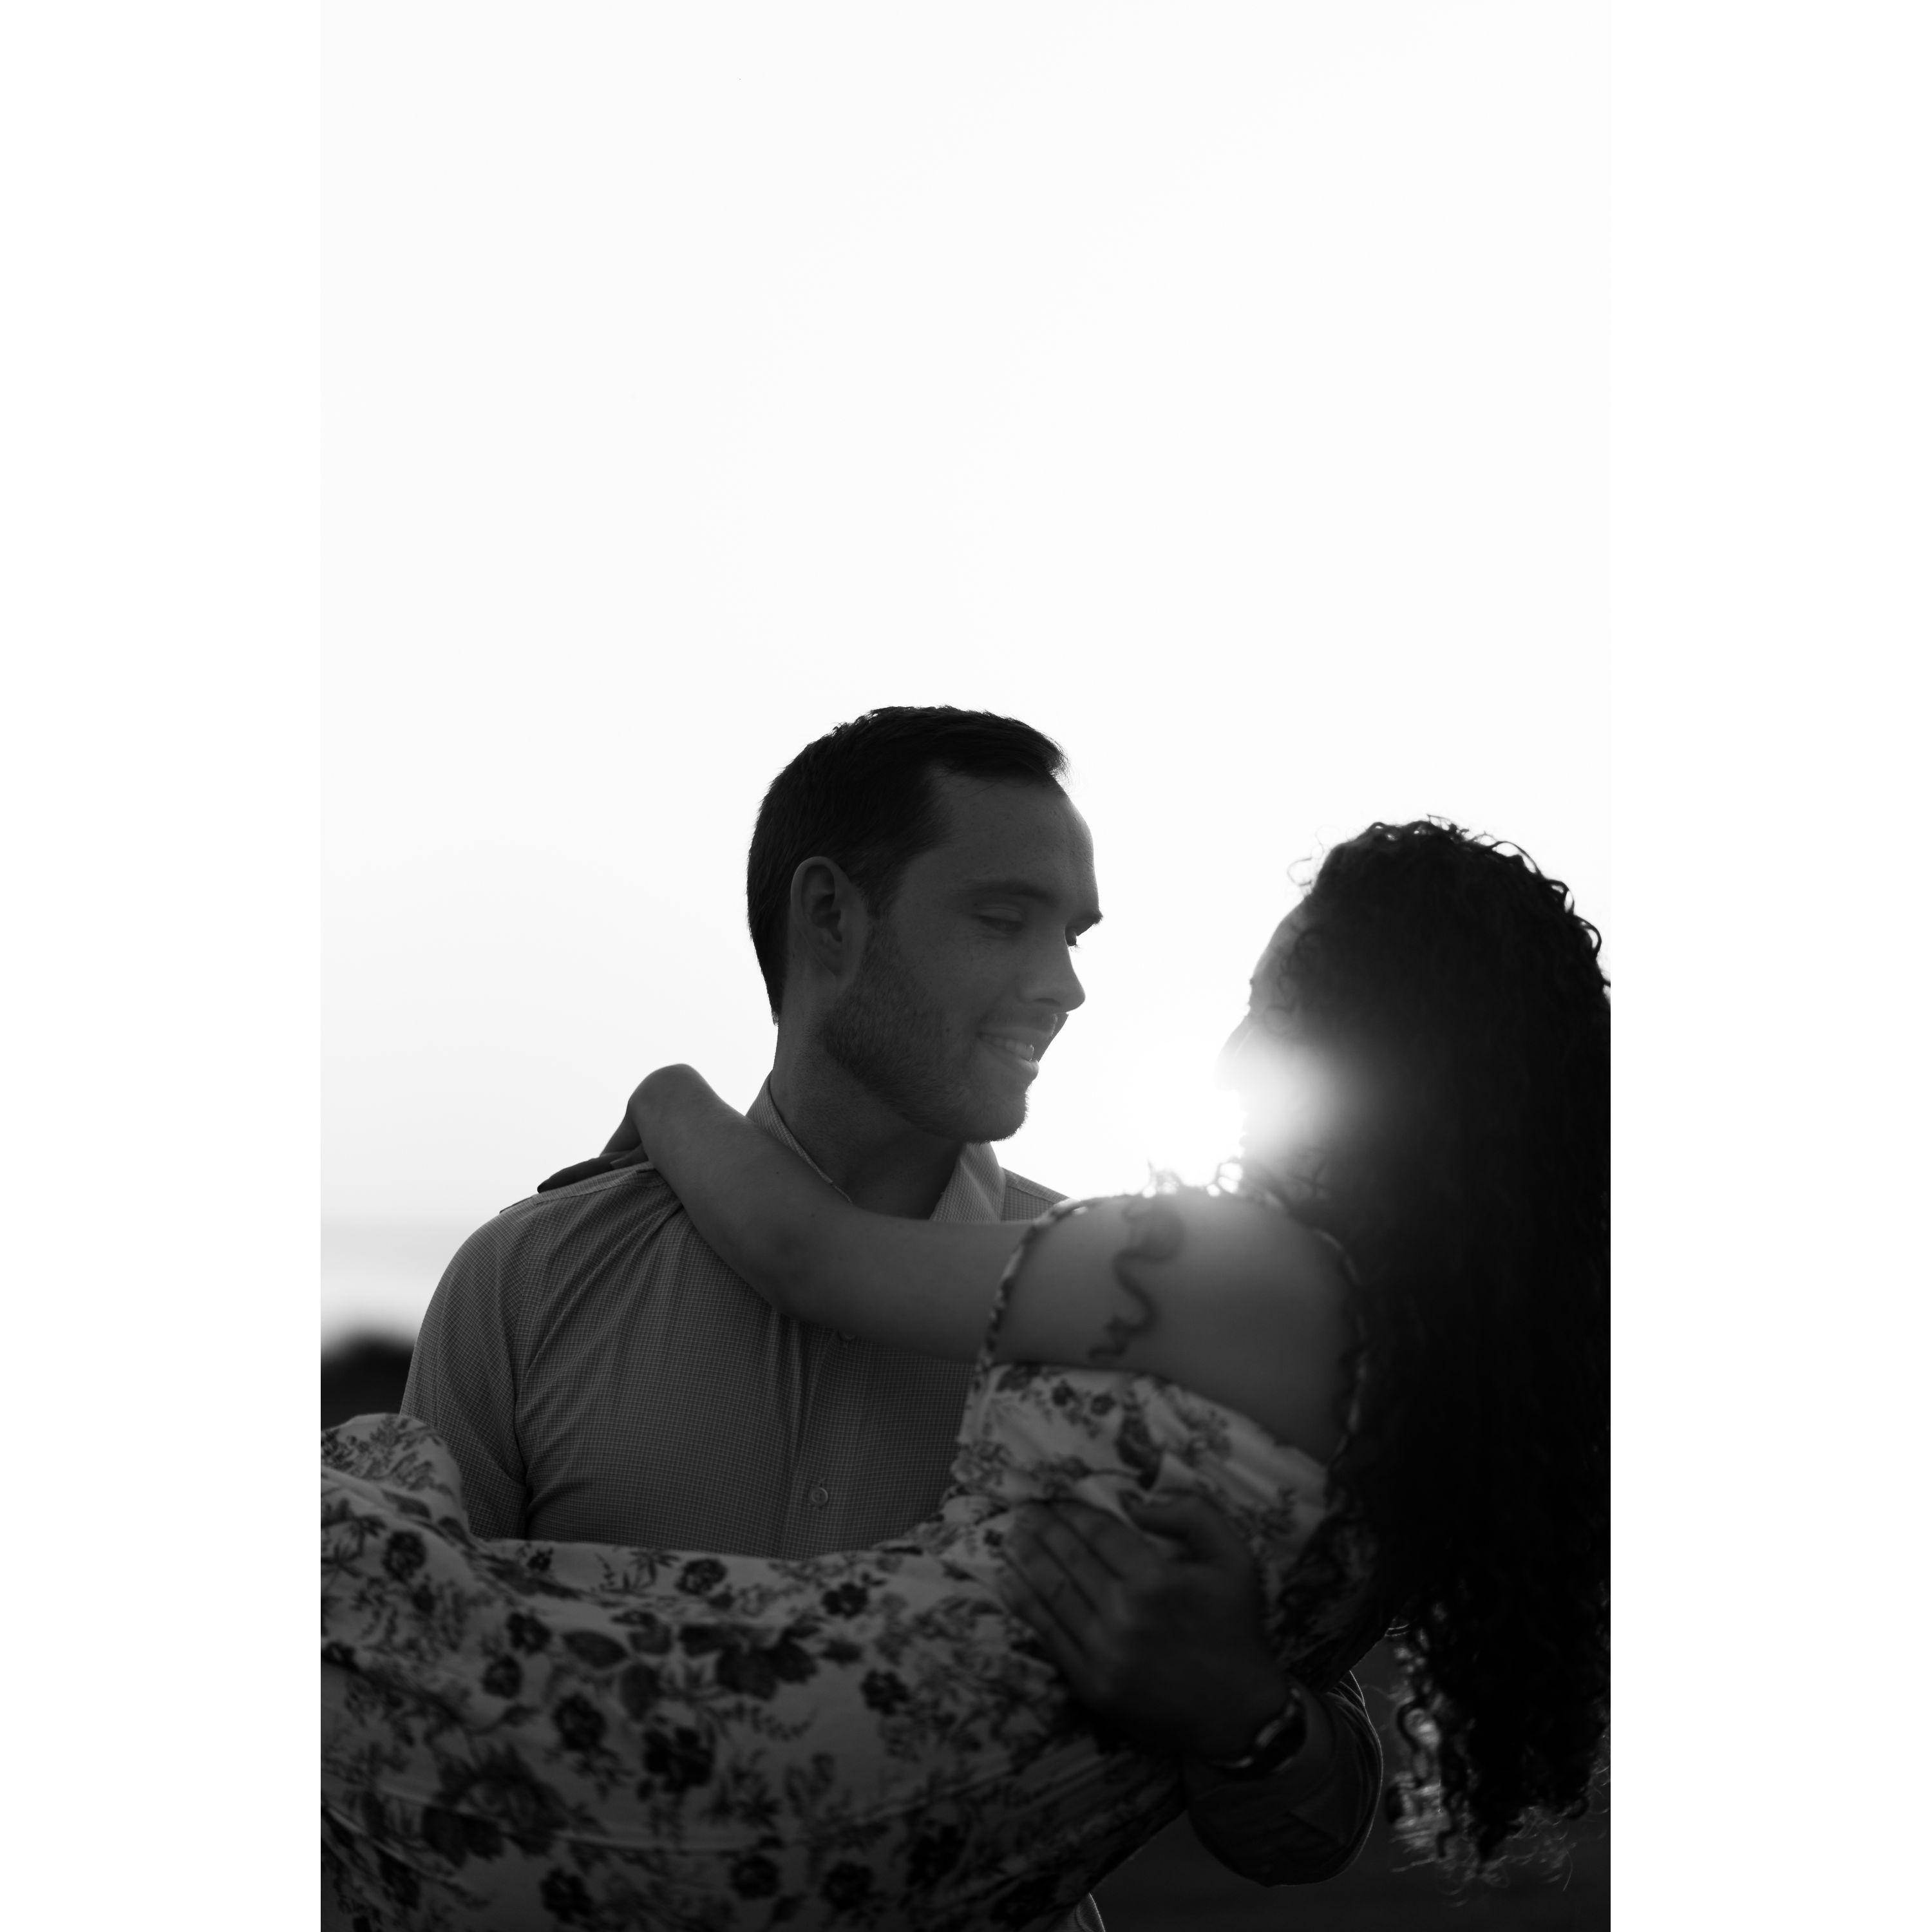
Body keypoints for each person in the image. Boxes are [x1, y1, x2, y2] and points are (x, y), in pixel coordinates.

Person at [323, 815, 1611, 1931]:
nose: (1065, 986)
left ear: (1380, 1062)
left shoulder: (1177, 1272)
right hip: (869, 1836)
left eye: (1275, 1009)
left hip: (754, 1771)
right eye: (1002, 919)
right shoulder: (1437, 1400)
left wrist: (664, 1094)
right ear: (829, 919)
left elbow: (806, 1251)